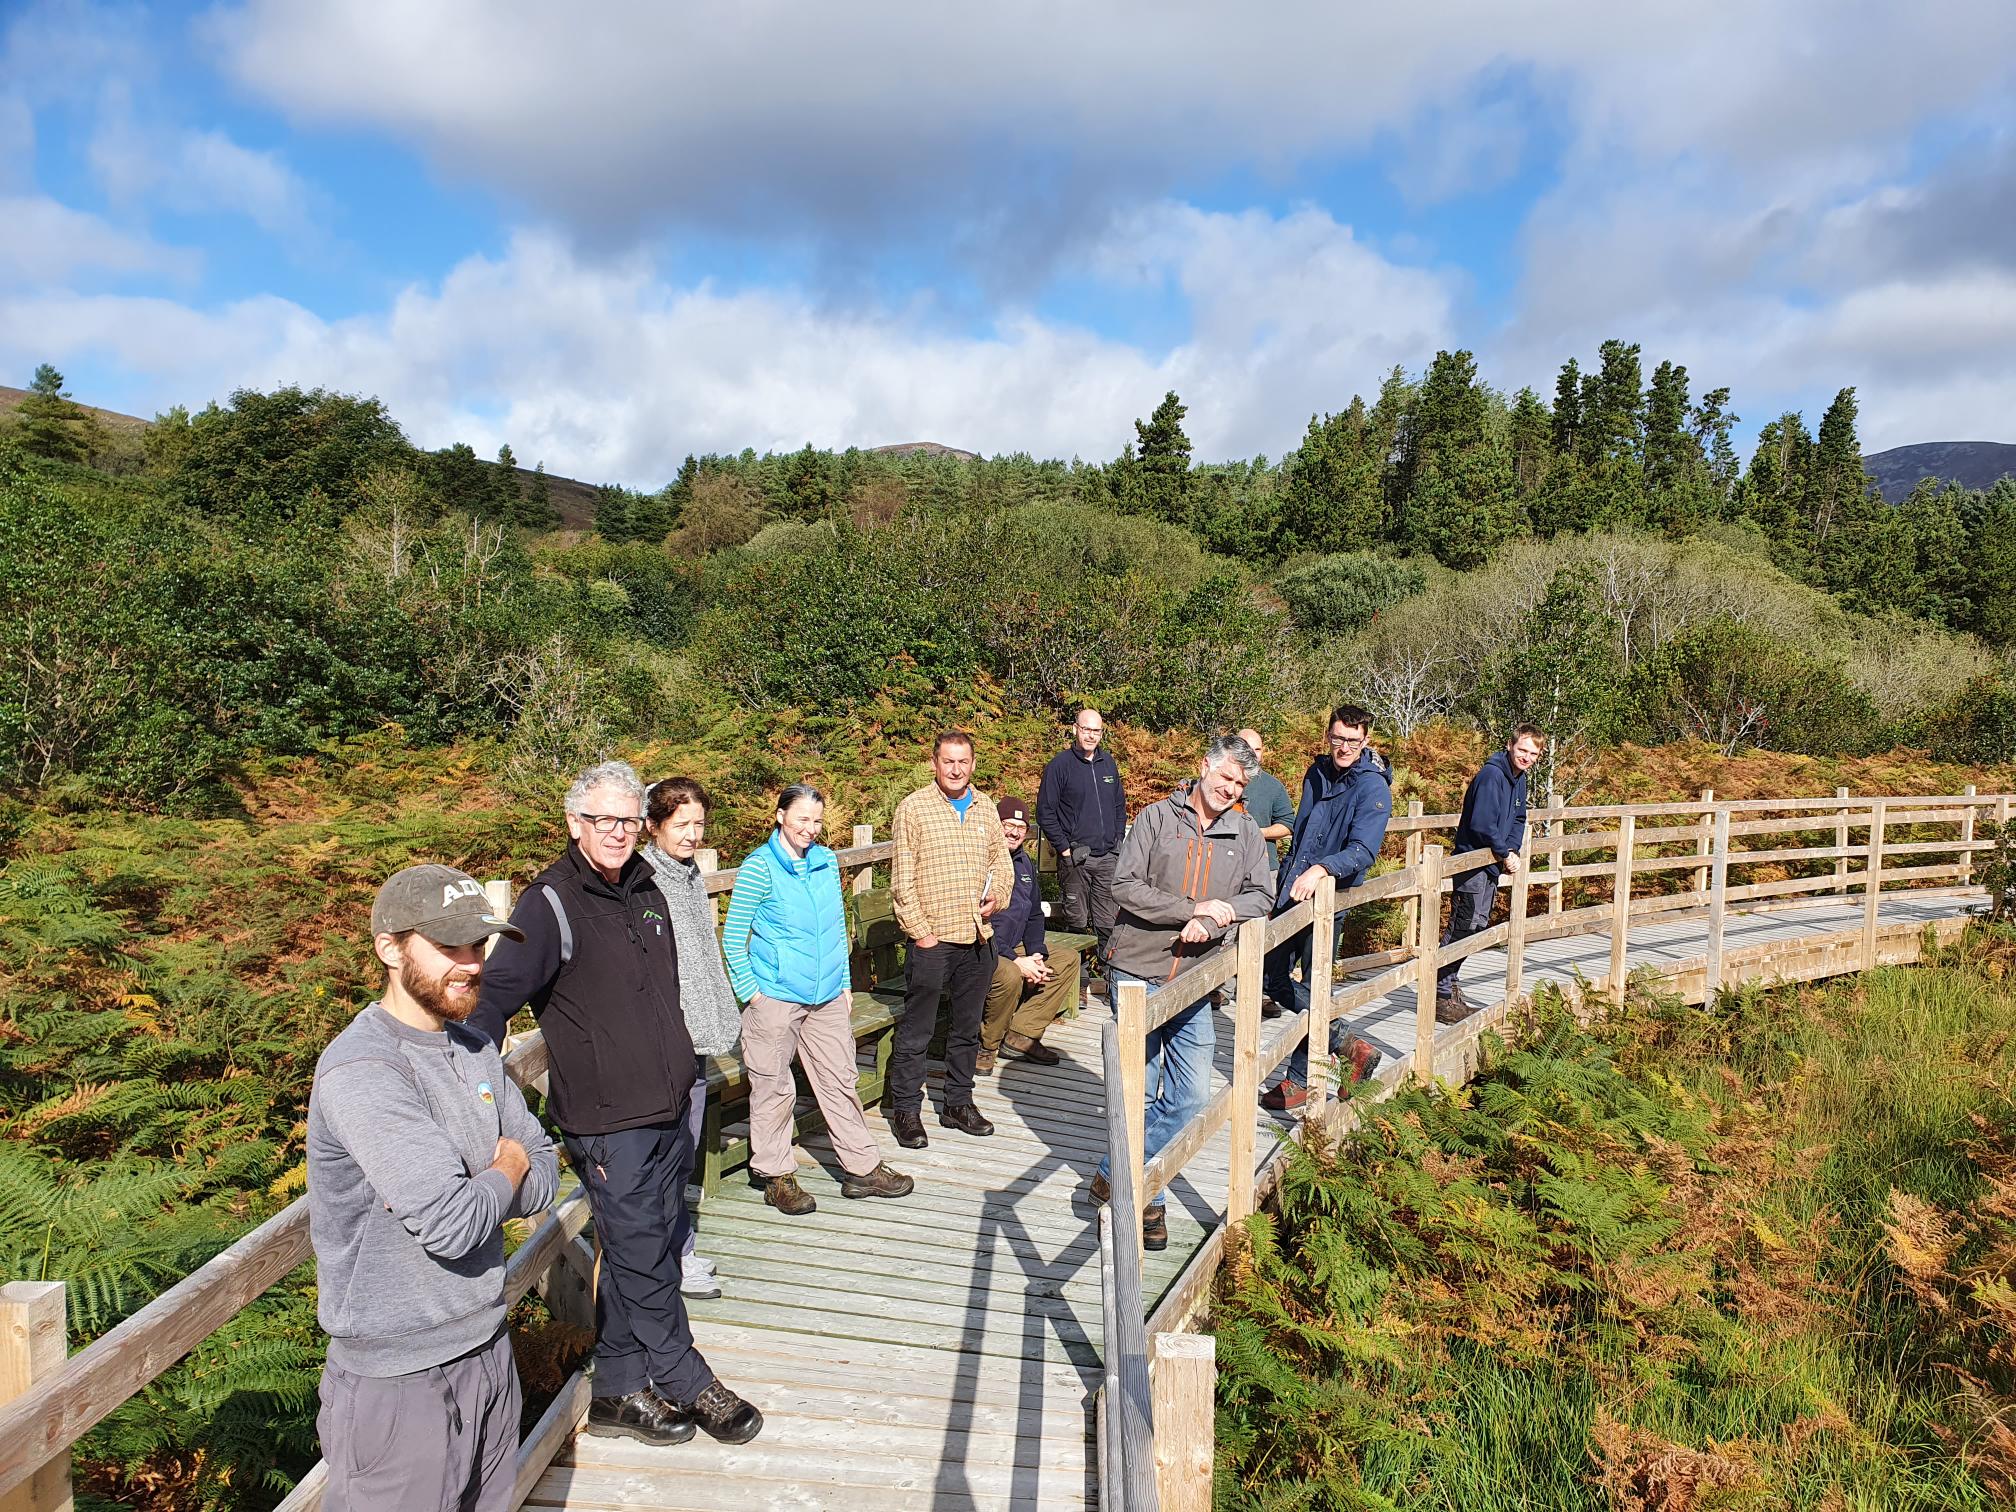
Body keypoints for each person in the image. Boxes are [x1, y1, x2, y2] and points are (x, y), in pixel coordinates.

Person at [475, 760, 762, 1449]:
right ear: (575, 824)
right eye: (603, 820)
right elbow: (492, 998)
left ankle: (617, 1391)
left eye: (628, 820)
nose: (617, 832)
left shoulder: (645, 887)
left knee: (650, 1249)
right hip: (608, 1121)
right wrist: (470, 1094)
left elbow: (663, 992)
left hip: (666, 1104)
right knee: (640, 1252)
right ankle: (689, 1380)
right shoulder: (549, 903)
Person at [308, 863, 558, 1512]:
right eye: (449, 946)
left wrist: (493, 1181)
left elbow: (546, 1175)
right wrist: (504, 1168)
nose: (470, 963)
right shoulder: (364, 1069)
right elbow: (453, 1225)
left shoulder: (474, 1046)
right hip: (397, 1382)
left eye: (478, 945)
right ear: (389, 947)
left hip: (486, 1350)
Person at [1089, 734, 1275, 1251]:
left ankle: (1112, 1171)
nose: (1229, 788)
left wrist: (1221, 917)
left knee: (1190, 1095)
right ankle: (1151, 1200)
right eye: (1225, 777)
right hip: (1136, 970)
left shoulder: (1247, 832)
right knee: (1140, 1093)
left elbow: (1263, 894)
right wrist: (1190, 910)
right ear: (1203, 768)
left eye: (1240, 784)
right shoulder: (1155, 818)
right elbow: (1124, 886)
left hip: (1198, 977)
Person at [720, 783, 914, 1213]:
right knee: (773, 1087)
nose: (810, 828)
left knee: (840, 1079)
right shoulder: (759, 867)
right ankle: (775, 1175)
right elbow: (734, 938)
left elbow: (835, 928)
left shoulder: (826, 862)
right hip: (774, 997)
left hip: (826, 995)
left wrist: (844, 983)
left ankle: (862, 1169)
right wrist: (751, 994)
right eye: (802, 819)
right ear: (781, 816)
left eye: (817, 820)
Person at [639, 777, 743, 1300]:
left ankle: (676, 1248)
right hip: (668, 1038)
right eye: (681, 824)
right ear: (652, 825)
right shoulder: (643, 881)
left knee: (683, 1146)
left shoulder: (686, 875)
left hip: (696, 1034)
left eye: (699, 824)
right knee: (669, 1150)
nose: (693, 834)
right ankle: (669, 1258)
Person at [887, 730, 1016, 1149]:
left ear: (973, 764)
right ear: (935, 763)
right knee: (917, 1030)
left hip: (978, 937)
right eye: (948, 761)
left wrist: (997, 898)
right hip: (933, 938)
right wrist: (920, 933)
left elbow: (1002, 863)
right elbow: (901, 879)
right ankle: (906, 1109)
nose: (956, 769)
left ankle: (958, 1103)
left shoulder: (985, 809)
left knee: (966, 1028)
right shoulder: (913, 809)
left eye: (963, 761)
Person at [1260, 705, 1393, 1111]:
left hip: (1327, 900)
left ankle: (1298, 1080)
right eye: (1338, 738)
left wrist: (1321, 869)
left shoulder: (1373, 788)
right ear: (1328, 736)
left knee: (1317, 987)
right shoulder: (1316, 773)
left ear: (1366, 741)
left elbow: (1363, 851)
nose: (1345, 747)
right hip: (1293, 891)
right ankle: (1349, 1045)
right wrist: (1284, 883)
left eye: (1353, 740)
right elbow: (1301, 835)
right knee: (1270, 978)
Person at [1436, 725, 1545, 1022]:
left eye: (1533, 754)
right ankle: (1441, 993)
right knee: (1463, 924)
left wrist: (1512, 851)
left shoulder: (1518, 778)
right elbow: (1482, 824)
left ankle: (1449, 987)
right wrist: (1504, 851)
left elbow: (1519, 818)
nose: (1526, 757)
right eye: (1522, 750)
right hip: (1472, 861)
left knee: (1476, 925)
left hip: (1491, 864)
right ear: (1510, 746)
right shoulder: (1492, 775)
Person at [977, 795, 1082, 1075]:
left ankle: (1021, 1035)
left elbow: (1035, 913)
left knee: (1066, 959)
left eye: (1020, 828)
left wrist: (1036, 953)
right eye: (1006, 824)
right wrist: (1014, 959)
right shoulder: (979, 860)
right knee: (1010, 973)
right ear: (994, 824)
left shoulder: (1024, 864)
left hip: (1014, 946)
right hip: (981, 947)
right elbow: (975, 921)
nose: (1013, 832)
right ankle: (987, 1046)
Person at [1037, 707, 1127, 970]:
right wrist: (1064, 849)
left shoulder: (1108, 763)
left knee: (1108, 922)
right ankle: (1078, 981)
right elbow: (1045, 811)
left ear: (1102, 733)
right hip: (1076, 859)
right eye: (1086, 729)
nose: (1090, 735)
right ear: (1075, 728)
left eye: (1096, 730)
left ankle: (1108, 977)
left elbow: (1119, 806)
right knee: (1075, 921)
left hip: (1107, 858)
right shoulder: (1059, 766)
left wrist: (1117, 841)